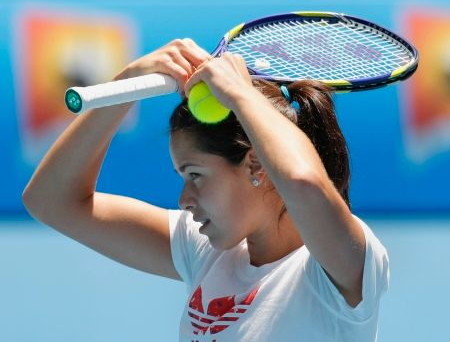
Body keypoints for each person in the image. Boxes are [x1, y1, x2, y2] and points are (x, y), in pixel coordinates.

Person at [23, 38, 389, 341]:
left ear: (256, 165)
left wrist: (239, 95)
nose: (184, 200)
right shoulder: (206, 251)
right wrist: (129, 79)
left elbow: (303, 182)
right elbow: (51, 201)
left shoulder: (339, 268)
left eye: (195, 175)